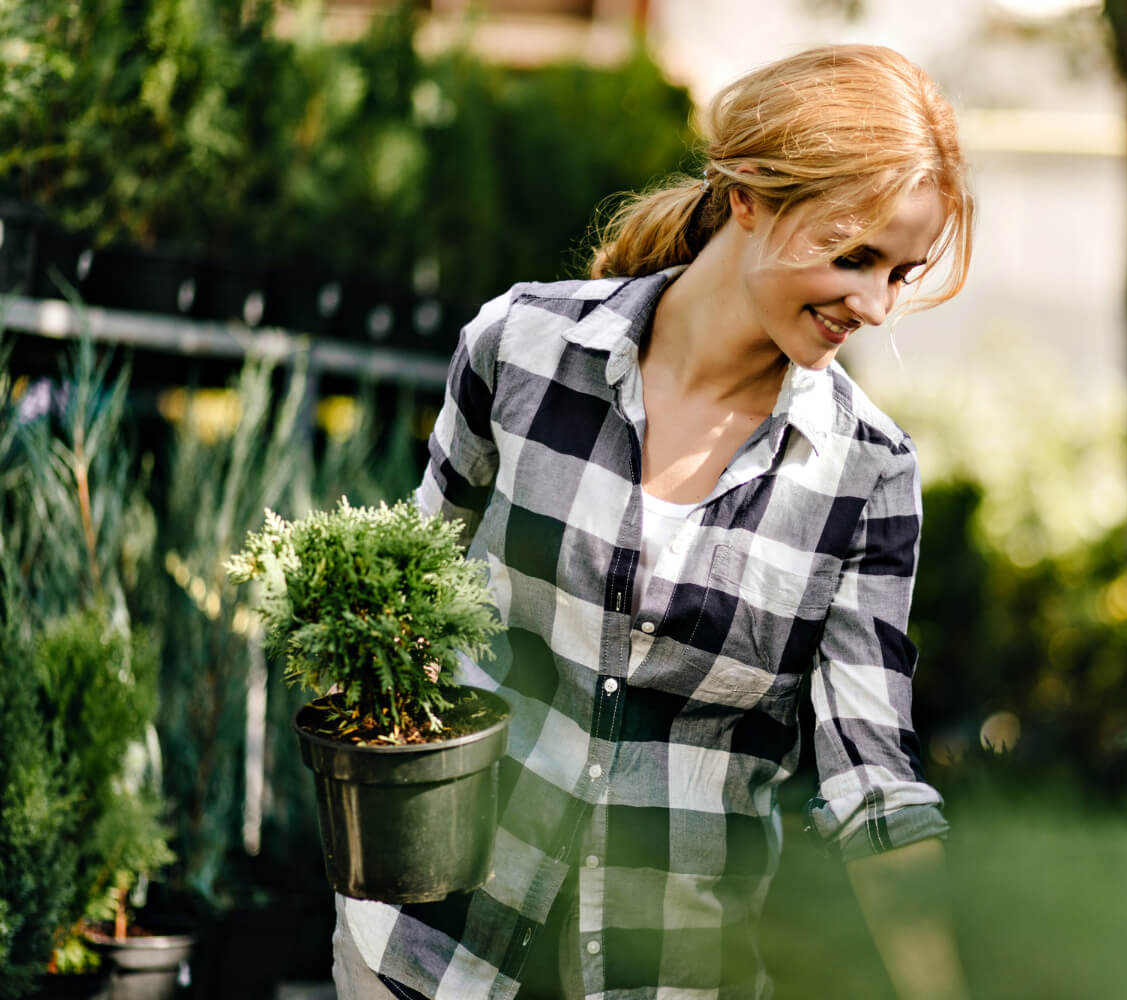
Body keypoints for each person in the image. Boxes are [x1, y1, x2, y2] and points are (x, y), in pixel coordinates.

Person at [332, 42, 975, 1000]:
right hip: (426, 957)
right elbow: (408, 608)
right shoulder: (522, 349)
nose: (875, 305)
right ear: (749, 195)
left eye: (902, 272)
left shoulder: (865, 474)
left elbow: (868, 778)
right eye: (854, 257)